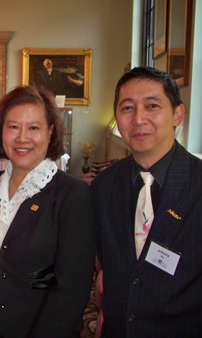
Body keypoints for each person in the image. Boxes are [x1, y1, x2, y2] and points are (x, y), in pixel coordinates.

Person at [0, 86, 96, 338]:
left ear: (50, 132)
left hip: (43, 326)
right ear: (0, 132)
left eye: (34, 128)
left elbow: (73, 289)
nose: (22, 138)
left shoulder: (72, 195)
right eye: (13, 126)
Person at [92, 67, 202, 337]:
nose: (139, 119)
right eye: (127, 108)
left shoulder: (198, 184)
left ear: (178, 114)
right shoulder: (104, 185)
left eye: (152, 105)